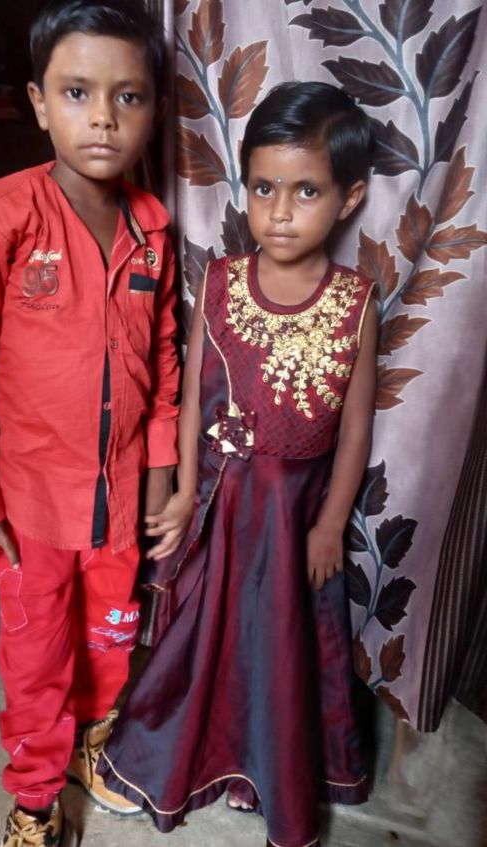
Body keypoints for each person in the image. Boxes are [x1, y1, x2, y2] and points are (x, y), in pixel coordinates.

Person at [99, 81, 377, 847]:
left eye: (306, 191)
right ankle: (178, 756)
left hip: (294, 517)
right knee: (206, 637)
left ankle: (277, 780)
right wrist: (187, 492)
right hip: (225, 506)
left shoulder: (356, 300)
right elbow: (193, 398)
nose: (280, 211)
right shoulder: (221, 281)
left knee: (282, 648)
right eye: (262, 188)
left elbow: (355, 429)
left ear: (349, 199)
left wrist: (329, 525)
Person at [0, 2, 179, 844]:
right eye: (78, 92)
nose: (103, 116)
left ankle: (91, 740)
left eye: (128, 96)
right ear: (39, 103)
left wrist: (160, 473)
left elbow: (163, 359)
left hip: (119, 498)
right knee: (36, 656)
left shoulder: (151, 227)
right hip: (29, 505)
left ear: (154, 109)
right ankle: (35, 797)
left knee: (111, 635)